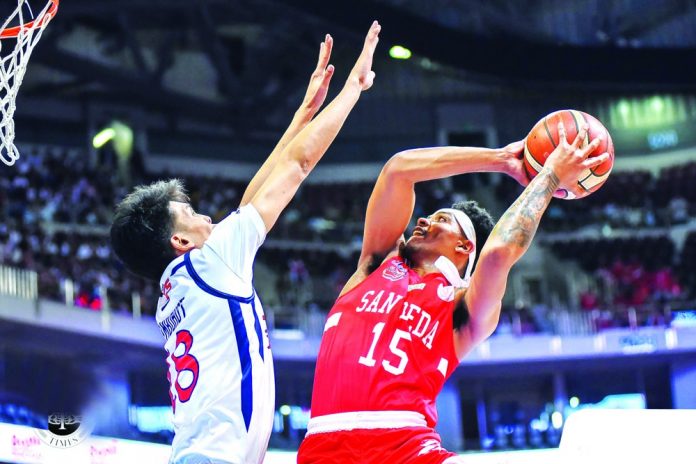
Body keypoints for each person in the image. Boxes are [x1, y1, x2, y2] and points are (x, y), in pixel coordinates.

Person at [109, 22, 381, 464]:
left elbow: (251, 200)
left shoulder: (181, 284)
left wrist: (302, 115)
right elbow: (299, 164)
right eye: (190, 214)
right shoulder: (208, 262)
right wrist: (354, 87)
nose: (205, 215)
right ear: (179, 239)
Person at [298, 122, 608, 463]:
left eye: (440, 219)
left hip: (406, 447)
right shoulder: (375, 265)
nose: (423, 221)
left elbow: (498, 253)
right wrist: (503, 158)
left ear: (464, 245)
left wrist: (548, 178)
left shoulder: (464, 305)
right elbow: (398, 170)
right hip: (323, 446)